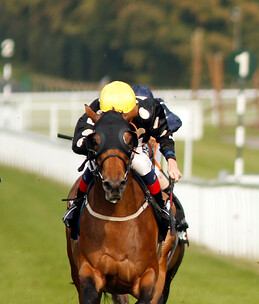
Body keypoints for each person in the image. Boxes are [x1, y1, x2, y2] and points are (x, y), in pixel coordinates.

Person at [63, 81, 183, 239]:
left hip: (132, 144)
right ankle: (76, 205)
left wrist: (171, 161)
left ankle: (161, 208)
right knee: (92, 166)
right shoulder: (96, 108)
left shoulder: (146, 109)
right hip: (105, 147)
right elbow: (78, 143)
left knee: (143, 165)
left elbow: (164, 134)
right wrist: (94, 144)